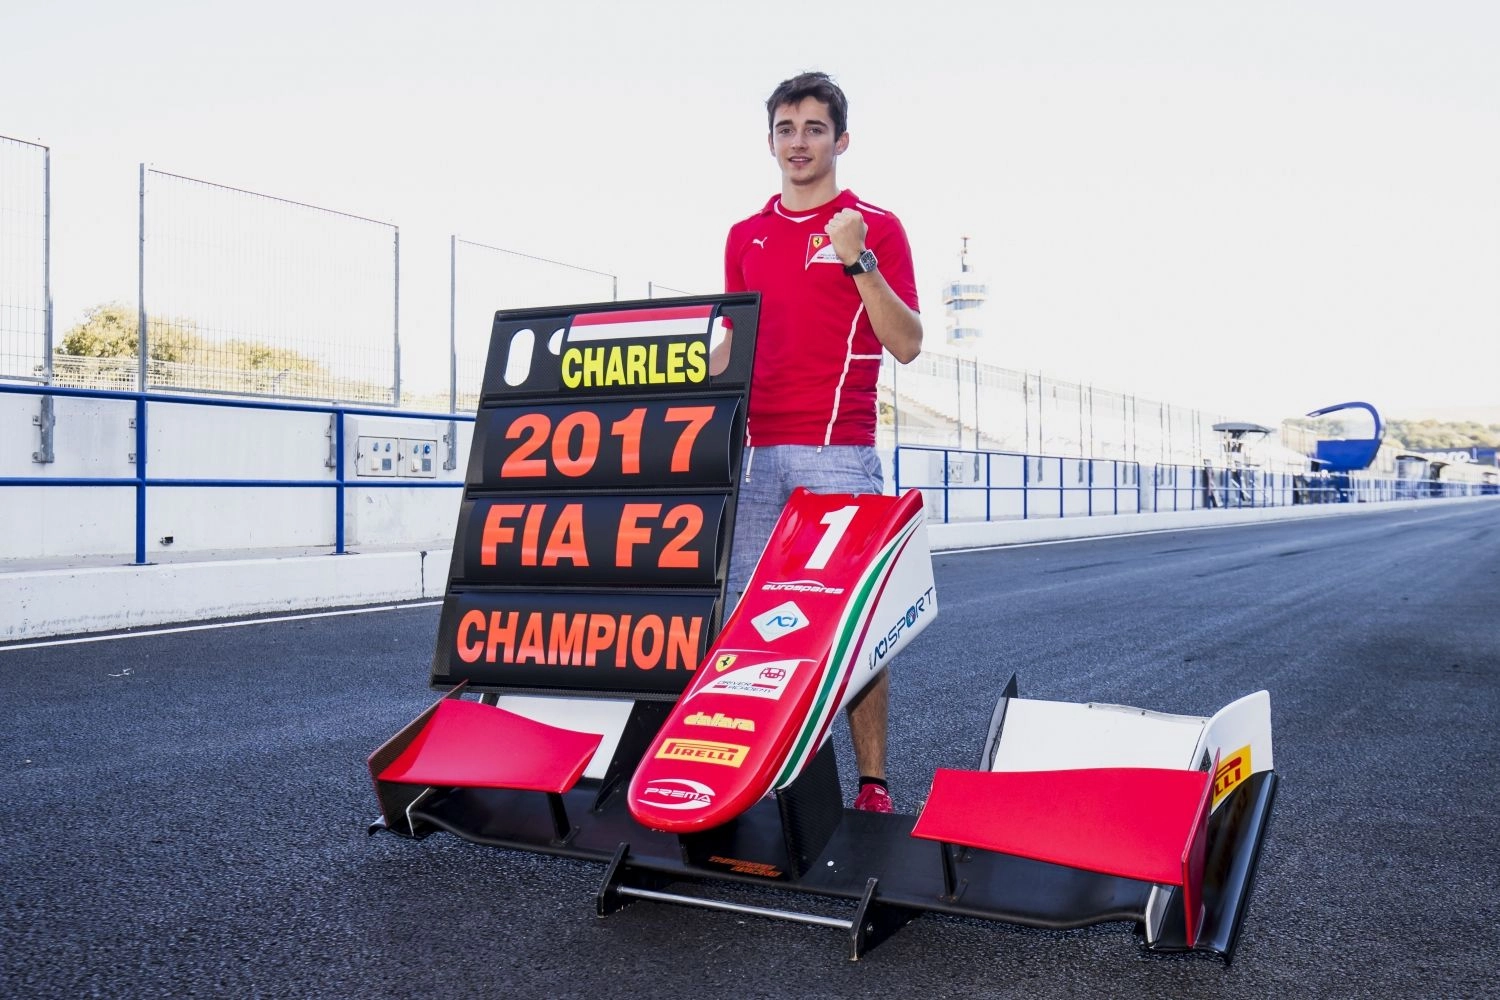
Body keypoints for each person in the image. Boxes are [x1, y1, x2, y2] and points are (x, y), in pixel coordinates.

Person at [724, 71, 923, 813]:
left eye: (814, 128)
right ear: (770, 140)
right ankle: (752, 778)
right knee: (749, 628)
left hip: (837, 453)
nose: (798, 142)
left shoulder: (875, 227)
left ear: (840, 140)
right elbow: (730, 349)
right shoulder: (744, 237)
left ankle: (871, 783)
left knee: (849, 626)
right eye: (786, 128)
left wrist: (857, 258)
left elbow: (906, 344)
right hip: (757, 458)